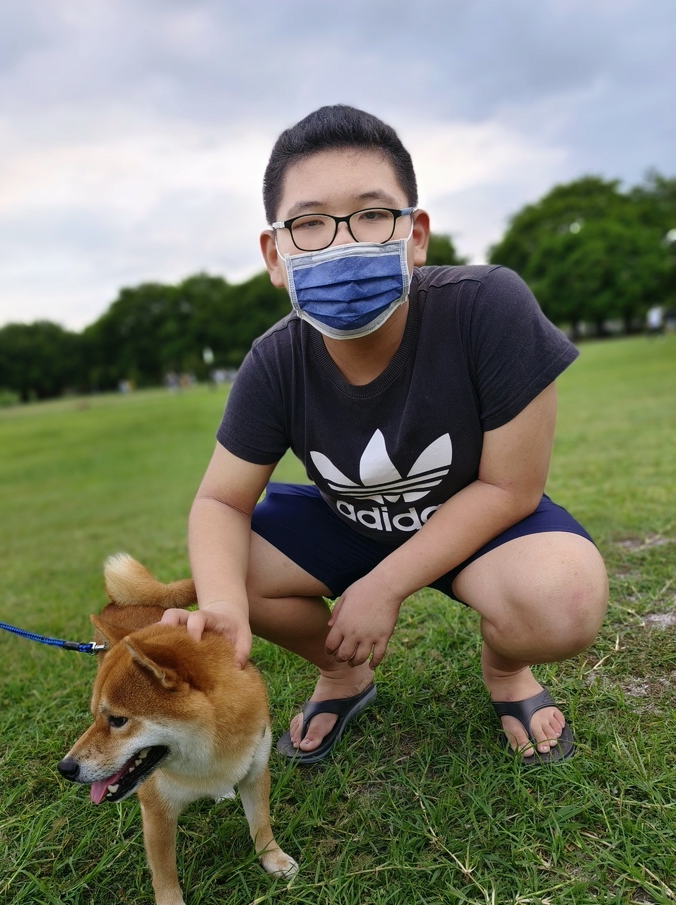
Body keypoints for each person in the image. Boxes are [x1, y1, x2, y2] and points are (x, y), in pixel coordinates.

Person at [161, 105, 608, 766]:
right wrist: (226, 606)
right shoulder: (274, 361)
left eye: (372, 214)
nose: (343, 244)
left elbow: (512, 487)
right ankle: (343, 672)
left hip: (475, 518)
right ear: (275, 254)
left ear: (416, 234)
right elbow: (219, 502)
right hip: (350, 523)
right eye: (309, 223)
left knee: (563, 600)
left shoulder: (490, 306)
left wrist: (384, 586)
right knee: (225, 567)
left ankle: (507, 671)